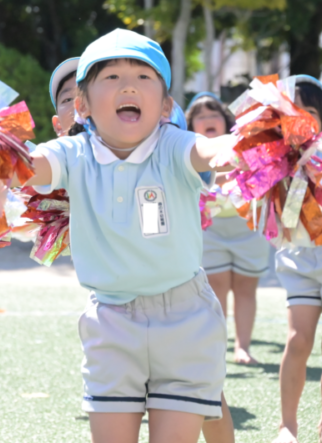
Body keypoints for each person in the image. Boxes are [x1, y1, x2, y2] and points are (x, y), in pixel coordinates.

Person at [25, 29, 233, 443]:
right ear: (81, 105)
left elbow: (210, 151)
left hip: (185, 318)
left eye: (143, 77)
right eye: (112, 77)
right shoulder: (73, 154)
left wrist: (239, 148)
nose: (128, 86)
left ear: (166, 104)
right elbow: (29, 164)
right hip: (111, 323)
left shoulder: (173, 144)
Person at [272, 76, 322, 443]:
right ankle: (287, 427)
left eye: (310, 111)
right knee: (298, 340)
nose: (302, 118)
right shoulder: (273, 156)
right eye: (294, 112)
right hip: (300, 261)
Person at [189, 92, 268, 367]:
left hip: (249, 227)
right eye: (201, 116)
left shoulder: (244, 144)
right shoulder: (187, 150)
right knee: (217, 288)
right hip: (210, 231)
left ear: (225, 122)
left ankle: (242, 347)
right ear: (191, 125)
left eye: (214, 115)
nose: (208, 120)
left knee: (247, 288)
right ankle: (219, 348)